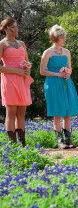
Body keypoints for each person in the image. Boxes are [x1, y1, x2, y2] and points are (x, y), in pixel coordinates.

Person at [40, 25, 78, 149]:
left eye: (64, 37)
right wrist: (57, 73)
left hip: (66, 82)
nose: (64, 40)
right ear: (55, 38)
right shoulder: (48, 52)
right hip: (53, 83)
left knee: (67, 113)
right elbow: (42, 71)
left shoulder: (67, 52)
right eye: (62, 38)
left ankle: (68, 140)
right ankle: (60, 141)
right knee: (57, 112)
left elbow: (70, 68)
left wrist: (68, 72)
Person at [0, 18, 33, 146]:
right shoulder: (2, 44)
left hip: (22, 80)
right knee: (11, 112)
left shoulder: (22, 44)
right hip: (9, 80)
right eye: (13, 27)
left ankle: (22, 143)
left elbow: (26, 61)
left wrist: (27, 68)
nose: (16, 29)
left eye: (16, 26)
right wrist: (16, 71)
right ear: (6, 29)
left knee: (21, 112)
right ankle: (12, 144)